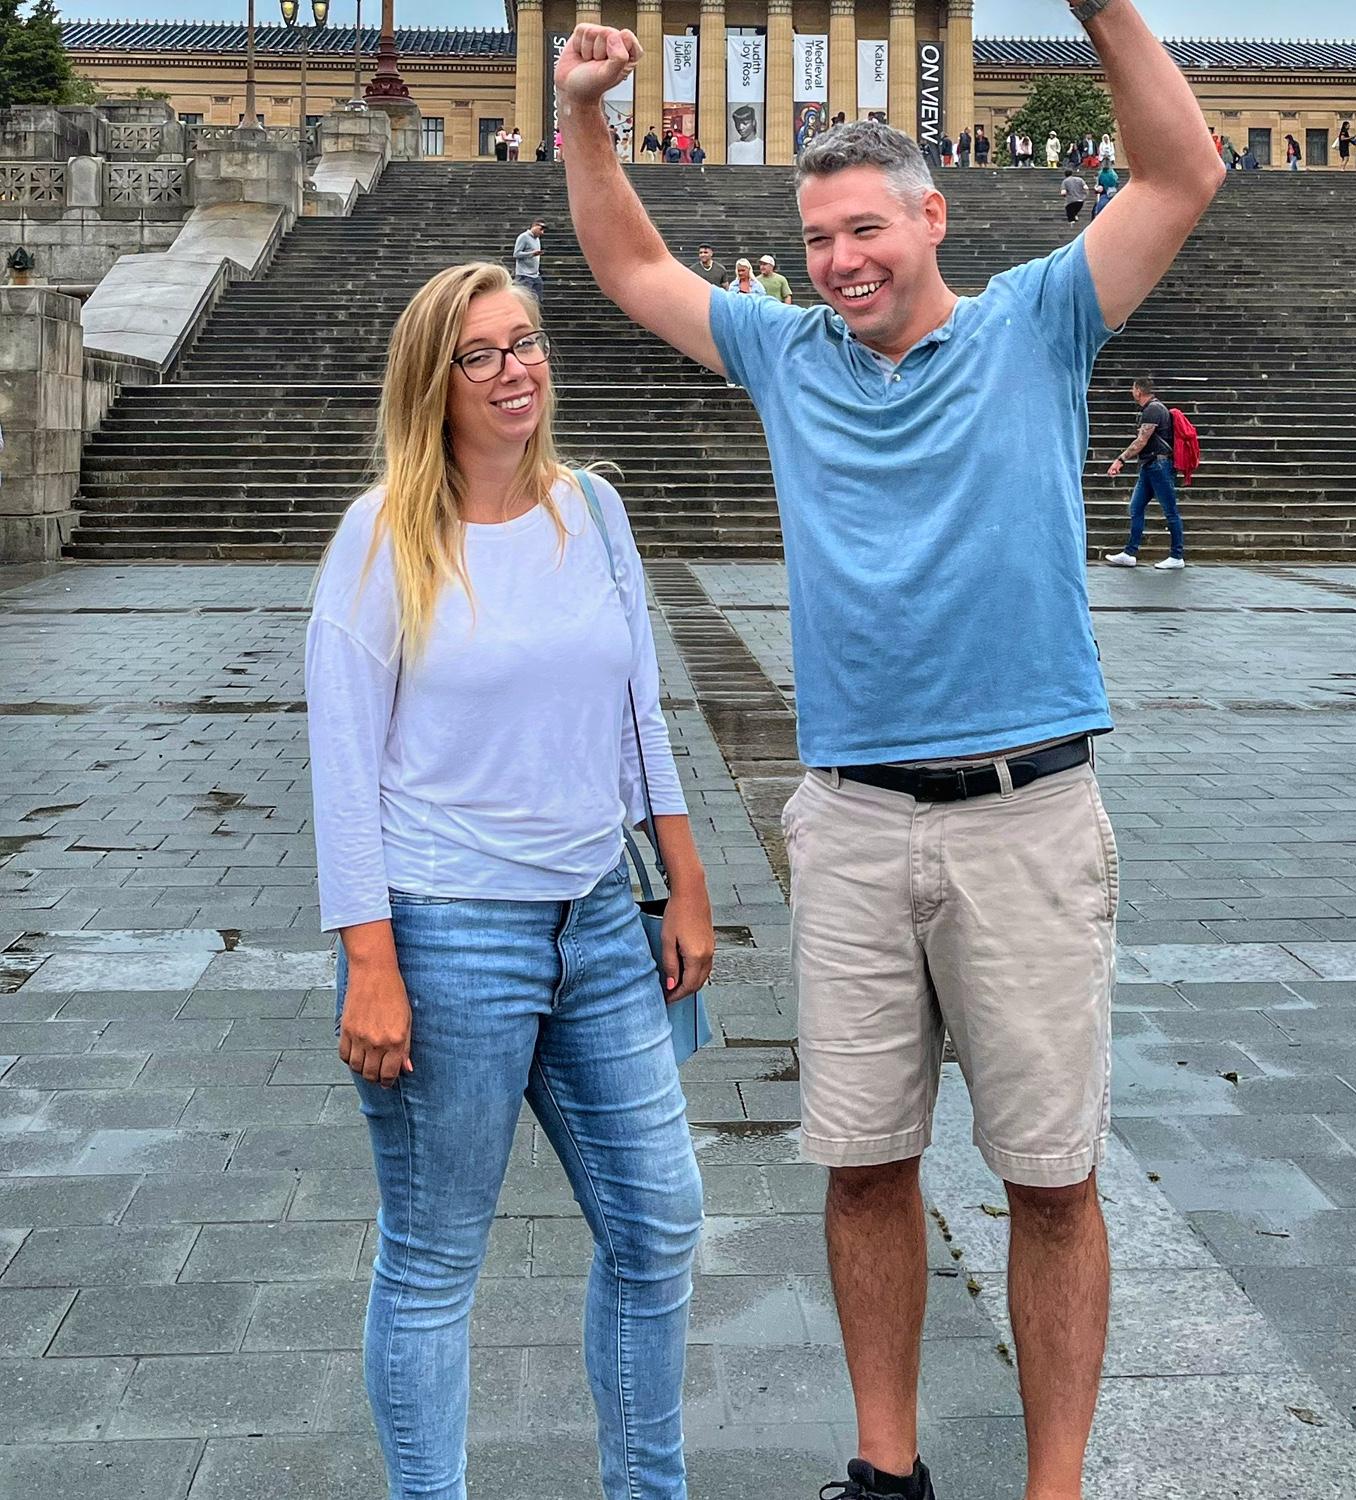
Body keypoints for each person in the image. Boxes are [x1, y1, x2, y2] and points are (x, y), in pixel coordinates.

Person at [556, 6, 1225, 1494]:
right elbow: (629, 268)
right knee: (862, 1164)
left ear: (935, 216)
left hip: (1026, 810)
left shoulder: (1039, 320)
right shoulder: (789, 357)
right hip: (852, 821)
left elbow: (1181, 175)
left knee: (1049, 1174)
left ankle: (1055, 1484)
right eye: (818, 239)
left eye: (867, 229)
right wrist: (584, 113)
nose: (841, 261)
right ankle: (885, 1468)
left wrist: (1102, 11)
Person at [306, 260, 711, 1500]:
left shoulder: (592, 509)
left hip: (595, 919)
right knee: (434, 1258)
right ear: (434, 382)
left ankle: (649, 1489)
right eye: (479, 354)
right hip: (443, 933)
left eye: (524, 342)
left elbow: (641, 707)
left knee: (660, 1227)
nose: (512, 370)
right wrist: (369, 963)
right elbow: (342, 763)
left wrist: (684, 882)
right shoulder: (382, 535)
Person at [1103, 376, 1185, 569]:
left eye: (1133, 389)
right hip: (1150, 465)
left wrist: (1120, 459)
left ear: (1138, 390)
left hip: (1159, 465)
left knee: (1170, 511)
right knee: (1136, 507)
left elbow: (1141, 441)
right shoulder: (1152, 409)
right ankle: (1130, 553)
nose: (1132, 392)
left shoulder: (1153, 409)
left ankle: (1177, 555)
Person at [512, 217, 545, 302]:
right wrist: (532, 254)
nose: (542, 232)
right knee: (525, 301)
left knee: (537, 300)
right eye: (540, 229)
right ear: (534, 226)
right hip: (524, 275)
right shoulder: (523, 237)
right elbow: (516, 254)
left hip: (535, 275)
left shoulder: (537, 239)